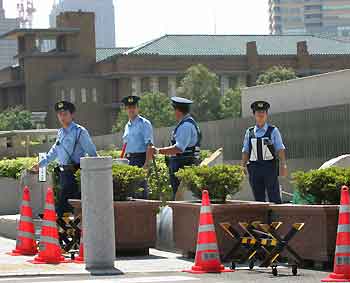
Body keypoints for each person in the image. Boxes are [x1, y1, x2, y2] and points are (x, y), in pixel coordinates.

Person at [31, 101, 97, 217]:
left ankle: (75, 232)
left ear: (71, 115)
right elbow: (53, 152)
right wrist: (40, 165)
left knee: (72, 206)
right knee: (63, 207)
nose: (62, 117)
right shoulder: (60, 133)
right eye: (59, 114)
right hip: (63, 174)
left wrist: (97, 174)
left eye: (65, 113)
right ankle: (65, 232)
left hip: (76, 173)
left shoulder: (80, 132)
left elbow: (92, 153)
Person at [152, 97, 201, 200]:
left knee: (181, 198)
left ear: (178, 111)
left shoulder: (186, 126)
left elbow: (179, 148)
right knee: (179, 196)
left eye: (174, 110)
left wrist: (158, 151)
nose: (173, 113)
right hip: (183, 164)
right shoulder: (187, 123)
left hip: (183, 165)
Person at [241, 101, 287, 204]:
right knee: (258, 198)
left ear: (266, 115)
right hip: (254, 168)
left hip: (269, 167)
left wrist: (283, 165)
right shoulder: (249, 132)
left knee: (274, 196)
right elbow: (245, 150)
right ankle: (261, 219)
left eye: (263, 114)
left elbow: (280, 149)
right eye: (258, 114)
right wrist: (243, 166)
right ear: (254, 116)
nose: (261, 116)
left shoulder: (273, 130)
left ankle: (276, 219)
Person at [121, 95, 154, 199]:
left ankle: (144, 214)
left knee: (141, 190)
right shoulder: (127, 126)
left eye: (133, 107)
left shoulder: (144, 124)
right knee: (131, 192)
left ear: (137, 108)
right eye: (129, 107)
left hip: (140, 159)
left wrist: (147, 164)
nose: (131, 110)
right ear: (126, 109)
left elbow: (149, 145)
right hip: (128, 160)